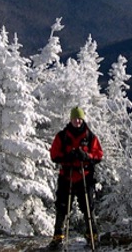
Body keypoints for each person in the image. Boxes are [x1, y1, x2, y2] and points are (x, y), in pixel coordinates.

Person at [48, 106, 104, 250]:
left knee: (88, 207)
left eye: (79, 119)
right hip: (67, 176)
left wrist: (87, 156)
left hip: (85, 177)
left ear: (82, 119)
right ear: (71, 120)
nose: (77, 121)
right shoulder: (62, 136)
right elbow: (54, 155)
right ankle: (58, 237)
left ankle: (92, 235)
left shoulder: (90, 136)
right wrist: (68, 157)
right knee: (62, 206)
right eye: (75, 119)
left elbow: (99, 155)